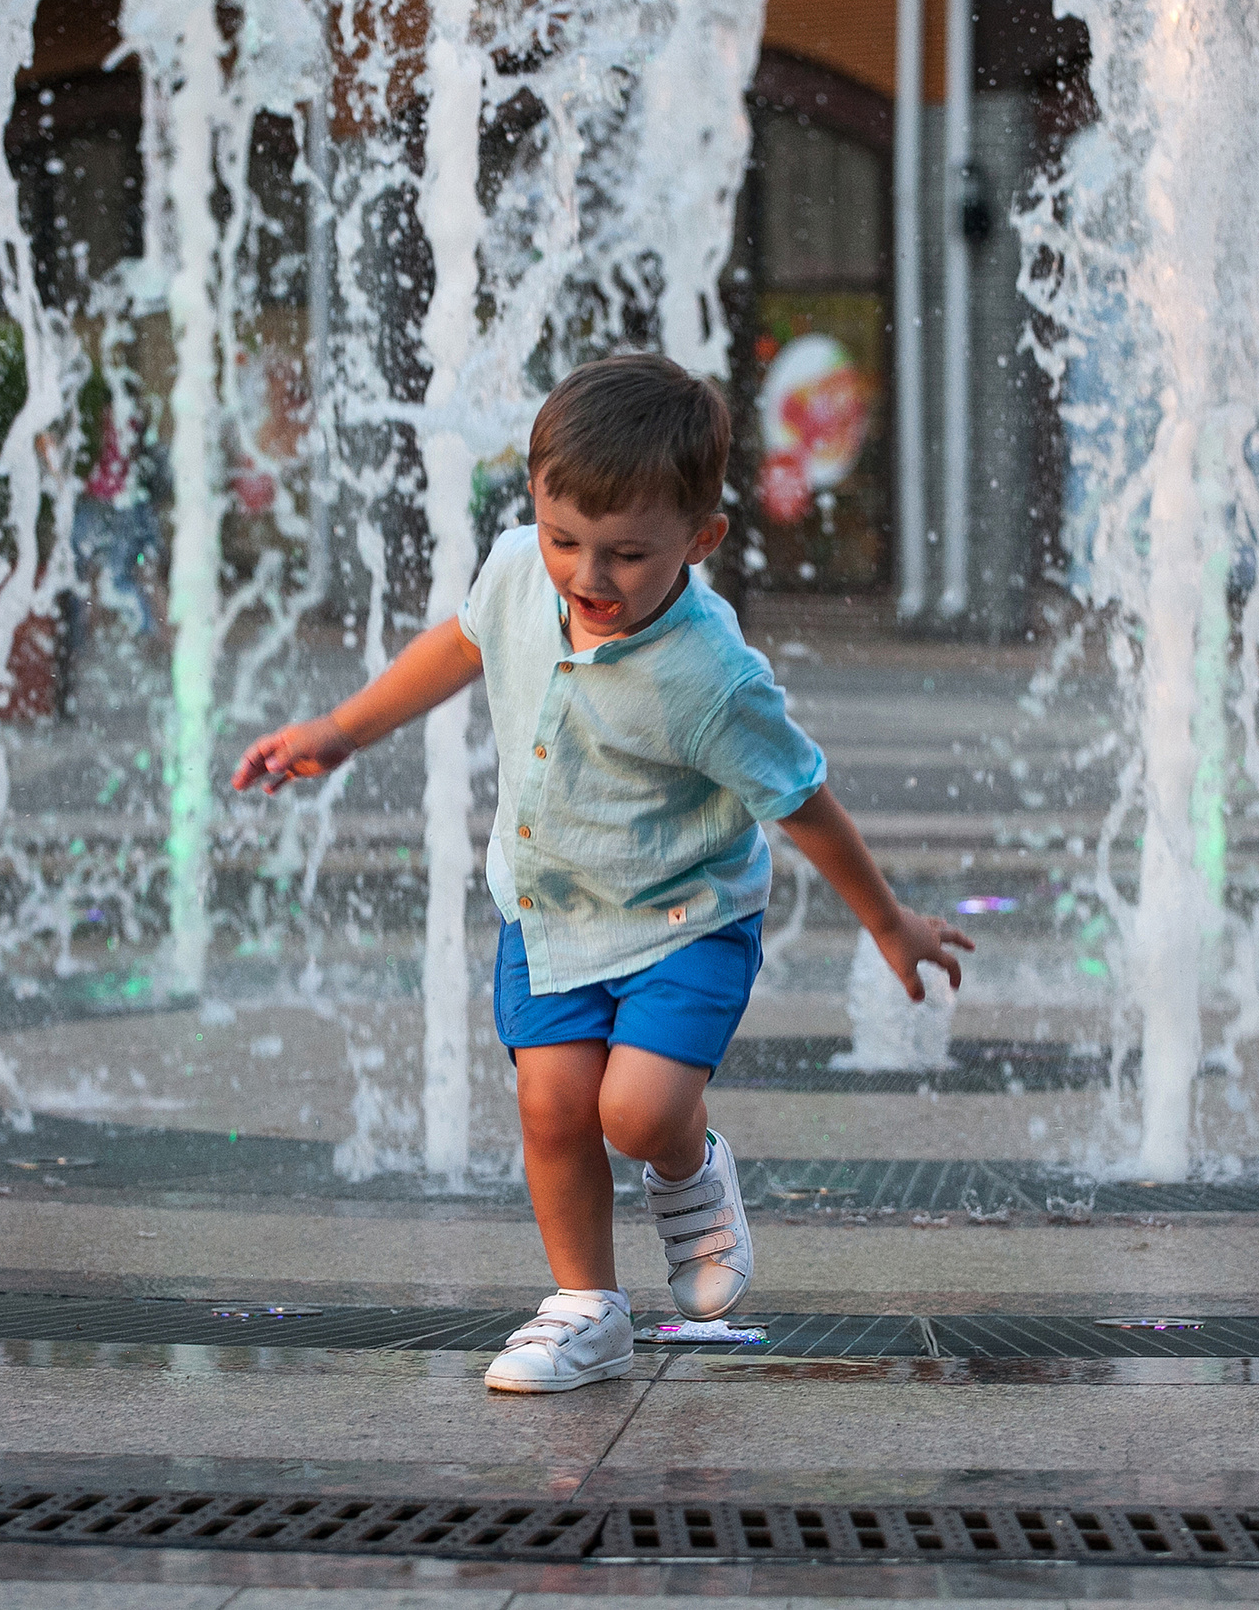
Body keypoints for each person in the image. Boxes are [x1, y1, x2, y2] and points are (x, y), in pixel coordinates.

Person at [231, 353, 972, 1395]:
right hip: (548, 907)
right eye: (564, 538)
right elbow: (460, 643)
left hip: (685, 916)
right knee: (553, 1108)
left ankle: (687, 1169)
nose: (587, 575)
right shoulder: (517, 571)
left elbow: (803, 801)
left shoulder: (711, 675)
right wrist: (340, 731)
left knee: (636, 1111)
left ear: (699, 541)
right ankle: (585, 1308)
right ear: (535, 505)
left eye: (627, 554)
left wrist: (888, 923)